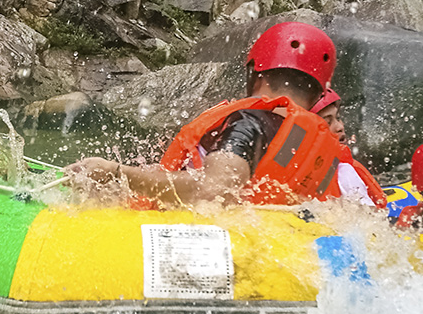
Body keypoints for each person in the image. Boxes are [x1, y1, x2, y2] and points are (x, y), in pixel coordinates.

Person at [67, 22, 382, 208]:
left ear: (255, 73)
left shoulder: (251, 123)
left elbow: (213, 190)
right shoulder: (322, 149)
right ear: (317, 92)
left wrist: (116, 172)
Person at [311, 89, 387, 209]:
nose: (340, 127)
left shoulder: (295, 174)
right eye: (327, 122)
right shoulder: (345, 173)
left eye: (338, 118)